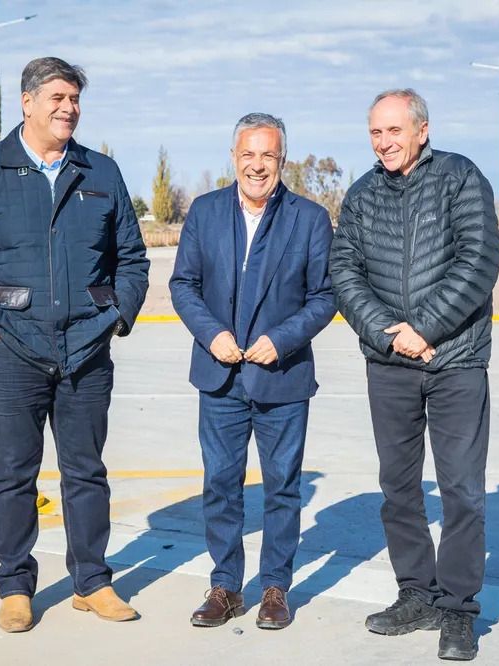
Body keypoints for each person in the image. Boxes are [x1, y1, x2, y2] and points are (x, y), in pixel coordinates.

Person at [0, 57, 149, 633]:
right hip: (11, 351)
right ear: (26, 103)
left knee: (86, 472)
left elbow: (133, 259)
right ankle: (16, 586)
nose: (68, 108)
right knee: (13, 474)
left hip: (86, 351)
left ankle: (92, 581)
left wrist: (117, 316)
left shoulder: (101, 172)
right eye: (56, 97)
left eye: (74, 98)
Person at [329, 88, 499, 660]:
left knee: (462, 492)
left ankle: (456, 610)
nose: (384, 143)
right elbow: (344, 271)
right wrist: (387, 332)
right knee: (399, 490)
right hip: (389, 364)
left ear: (422, 130)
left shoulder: (460, 178)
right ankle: (416, 594)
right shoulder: (361, 194)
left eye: (394, 131)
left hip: (456, 362)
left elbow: (478, 260)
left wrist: (424, 329)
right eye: (376, 133)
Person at [169, 112, 336, 630]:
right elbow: (183, 285)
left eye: (268, 155)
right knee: (220, 483)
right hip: (219, 376)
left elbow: (325, 296)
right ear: (234, 157)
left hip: (282, 378)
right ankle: (225, 586)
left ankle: (274, 588)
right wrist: (211, 334)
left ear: (282, 160)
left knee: (283, 485)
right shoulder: (205, 211)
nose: (257, 165)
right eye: (248, 154)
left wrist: (280, 340)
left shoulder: (309, 218)